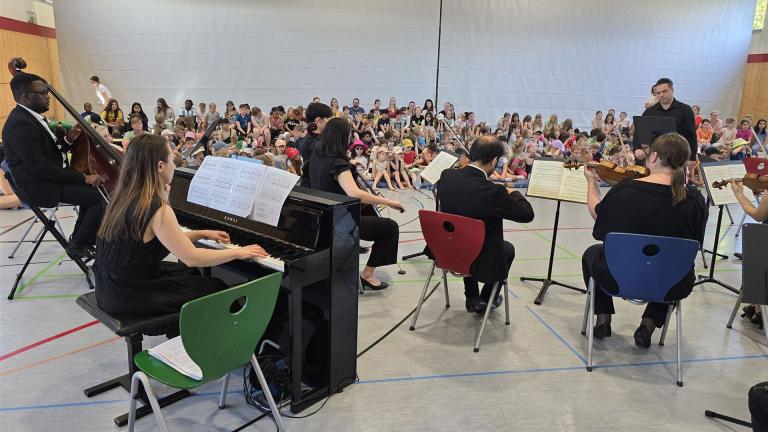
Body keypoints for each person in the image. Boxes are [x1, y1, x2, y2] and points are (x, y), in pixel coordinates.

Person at [94, 134, 267, 332]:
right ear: (160, 166)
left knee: (186, 273)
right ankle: (231, 343)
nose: (174, 165)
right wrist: (240, 252)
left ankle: (186, 334)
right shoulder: (157, 208)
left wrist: (200, 233)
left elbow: (158, 240)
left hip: (109, 288)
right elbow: (192, 257)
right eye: (171, 159)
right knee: (215, 286)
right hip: (130, 296)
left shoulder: (123, 198)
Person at [581, 133, 707, 347]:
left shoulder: (625, 190)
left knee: (593, 253)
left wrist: (591, 182)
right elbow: (694, 245)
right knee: (676, 266)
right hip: (670, 284)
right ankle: (648, 325)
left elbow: (598, 215)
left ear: (654, 156)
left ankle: (603, 318)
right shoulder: (695, 201)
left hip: (617, 277)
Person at [3, 73, 106, 260]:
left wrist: (67, 140)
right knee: (98, 198)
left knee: (97, 192)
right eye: (43, 92)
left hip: (46, 180)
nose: (48, 96)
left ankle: (81, 239)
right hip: (39, 186)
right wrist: (83, 177)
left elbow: (49, 154)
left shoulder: (31, 118)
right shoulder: (20, 124)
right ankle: (78, 244)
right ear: (25, 96)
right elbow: (40, 166)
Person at [437, 136, 534, 312]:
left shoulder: (446, 176)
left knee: (465, 236)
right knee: (507, 249)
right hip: (478, 260)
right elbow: (527, 214)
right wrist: (512, 191)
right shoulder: (494, 192)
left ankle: (472, 297)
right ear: (494, 160)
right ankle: (487, 298)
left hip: (446, 251)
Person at [307, 118, 403, 290]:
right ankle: (367, 275)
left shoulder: (316, 157)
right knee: (390, 228)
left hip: (321, 218)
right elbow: (355, 193)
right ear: (342, 138)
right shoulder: (338, 165)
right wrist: (389, 201)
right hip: (340, 223)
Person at [642, 78, 697, 165]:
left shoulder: (686, 110)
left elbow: (691, 135)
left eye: (664, 91)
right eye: (658, 93)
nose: (661, 95)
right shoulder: (649, 112)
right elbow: (640, 131)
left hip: (678, 157)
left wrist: (692, 157)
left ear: (672, 90)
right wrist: (637, 148)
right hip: (656, 158)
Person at [298, 102, 333, 186]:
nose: (330, 122)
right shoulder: (312, 142)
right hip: (313, 185)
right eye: (328, 119)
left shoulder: (317, 138)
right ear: (318, 120)